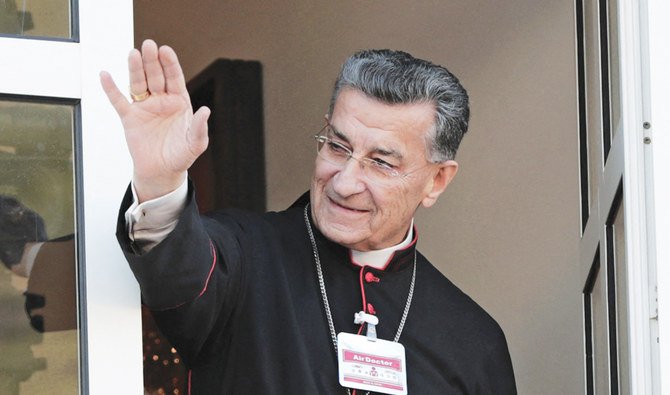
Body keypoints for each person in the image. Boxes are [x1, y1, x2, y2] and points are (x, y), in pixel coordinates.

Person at [101, 39, 516, 394]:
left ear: (436, 181)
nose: (344, 182)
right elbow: (178, 268)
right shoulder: (242, 259)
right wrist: (160, 180)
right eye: (337, 147)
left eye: (381, 163)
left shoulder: (474, 342)